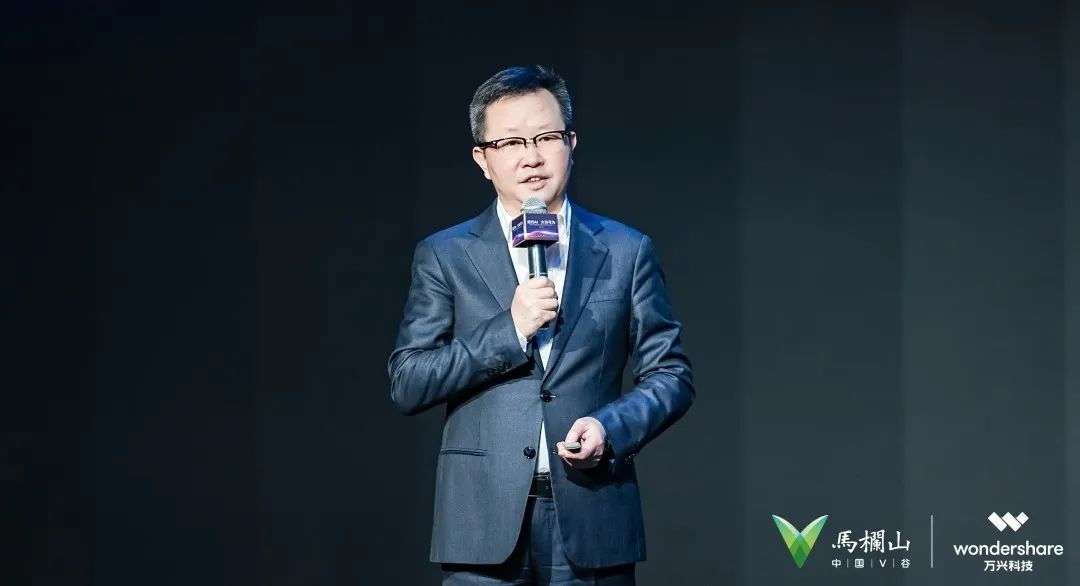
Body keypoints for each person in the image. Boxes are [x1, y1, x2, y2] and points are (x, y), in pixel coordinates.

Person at [388, 65, 694, 585]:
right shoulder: (445, 255)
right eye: (510, 142)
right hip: (481, 524)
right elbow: (409, 380)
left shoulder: (625, 250)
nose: (531, 156)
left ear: (571, 143)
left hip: (592, 512)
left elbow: (672, 376)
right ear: (483, 160)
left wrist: (610, 428)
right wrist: (510, 329)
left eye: (546, 137)